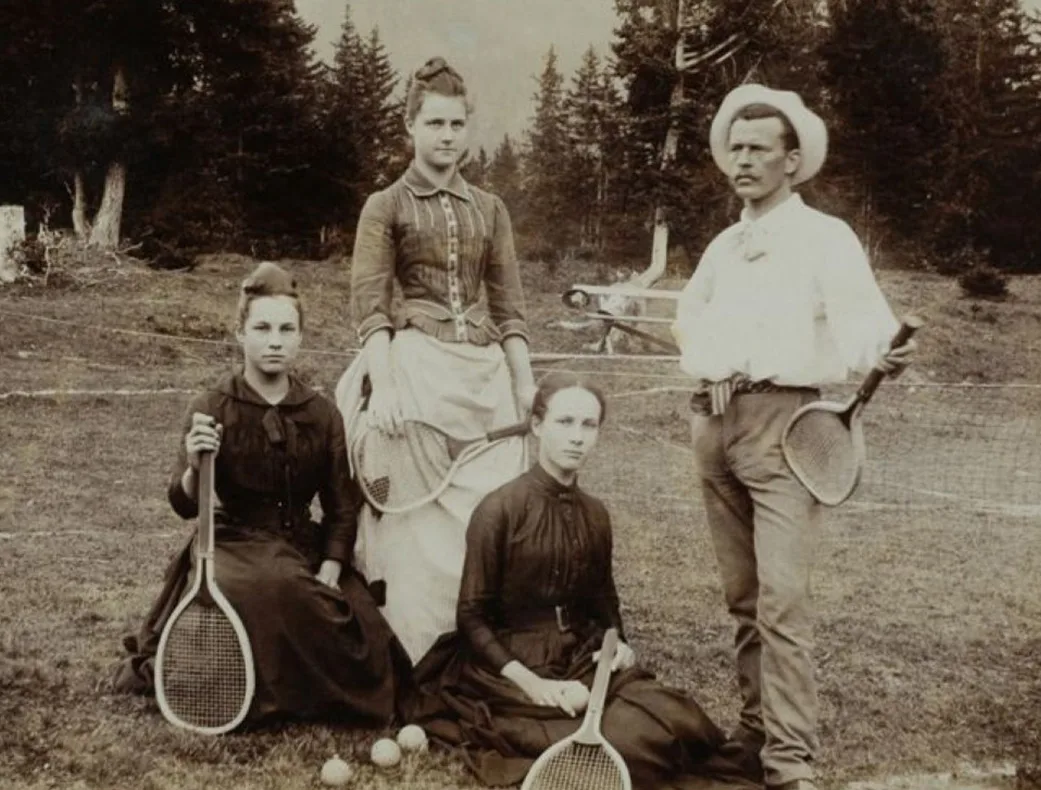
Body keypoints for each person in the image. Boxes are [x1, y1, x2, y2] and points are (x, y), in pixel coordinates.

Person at [671, 84, 918, 790]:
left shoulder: (825, 238)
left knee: (783, 599)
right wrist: (713, 367)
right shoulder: (724, 245)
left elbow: (864, 319)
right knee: (743, 597)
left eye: (758, 149)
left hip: (788, 433)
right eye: (735, 148)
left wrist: (883, 350)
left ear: (792, 160)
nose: (742, 160)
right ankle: (755, 736)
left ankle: (790, 763)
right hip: (714, 429)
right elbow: (691, 321)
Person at [408, 373, 755, 789]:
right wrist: (534, 685)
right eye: (565, 422)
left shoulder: (595, 514)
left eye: (589, 425)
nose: (578, 437)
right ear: (537, 426)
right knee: (632, 744)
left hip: (583, 653)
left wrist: (618, 643)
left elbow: (604, 600)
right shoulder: (499, 510)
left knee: (682, 719)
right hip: (511, 667)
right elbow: (472, 616)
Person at [111, 261, 412, 728]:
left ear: (300, 336)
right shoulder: (212, 406)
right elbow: (184, 504)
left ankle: (311, 693)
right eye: (263, 328)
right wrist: (195, 464)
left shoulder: (322, 413)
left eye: (287, 329)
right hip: (234, 545)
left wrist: (332, 567)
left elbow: (341, 506)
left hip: (304, 547)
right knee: (274, 588)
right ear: (240, 333)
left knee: (364, 630)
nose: (275, 341)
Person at [335, 56, 535, 664]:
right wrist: (385, 381)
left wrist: (526, 384)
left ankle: (483, 650)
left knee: (490, 508)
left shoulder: (491, 208)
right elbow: (371, 305)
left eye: (456, 124)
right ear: (411, 127)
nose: (447, 136)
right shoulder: (385, 205)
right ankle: (417, 650)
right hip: (416, 367)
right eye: (435, 124)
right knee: (417, 517)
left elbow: (510, 306)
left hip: (483, 377)